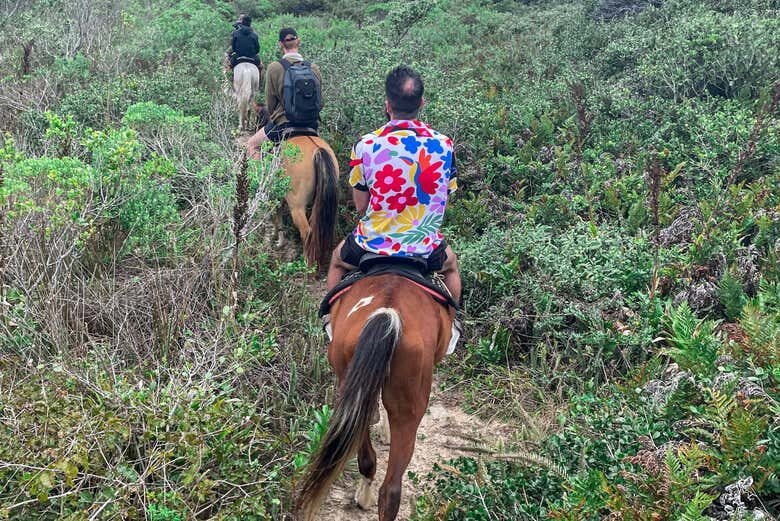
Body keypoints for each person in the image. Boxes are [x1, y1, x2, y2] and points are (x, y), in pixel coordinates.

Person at [325, 65, 462, 304]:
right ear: (422, 103)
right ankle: (454, 325)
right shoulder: (444, 145)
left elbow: (361, 207)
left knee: (337, 261)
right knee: (451, 268)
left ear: (388, 104)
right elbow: (444, 201)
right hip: (425, 245)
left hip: (373, 242)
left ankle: (328, 323)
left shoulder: (365, 145)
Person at [246, 28, 322, 157]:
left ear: (281, 44)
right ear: (298, 41)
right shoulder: (313, 68)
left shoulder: (274, 67)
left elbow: (270, 104)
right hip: (312, 125)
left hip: (284, 125)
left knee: (252, 145)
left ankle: (262, 176)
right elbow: (320, 101)